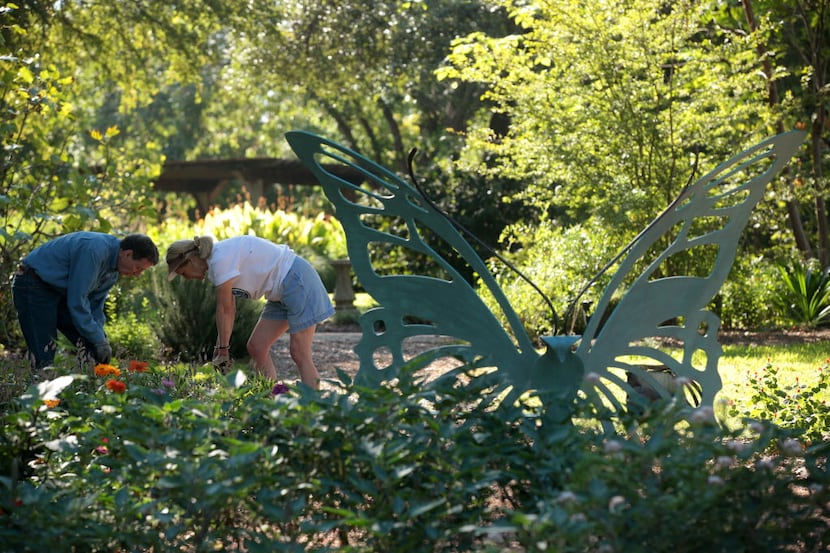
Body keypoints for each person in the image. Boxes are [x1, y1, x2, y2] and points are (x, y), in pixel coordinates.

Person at [166, 235, 334, 389]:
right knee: (257, 347)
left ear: (191, 260)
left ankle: (313, 410)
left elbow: (226, 309)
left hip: (297, 280)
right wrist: (220, 347)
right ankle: (270, 400)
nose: (186, 278)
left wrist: (223, 349)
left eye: (182, 273)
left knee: (299, 352)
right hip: (279, 292)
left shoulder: (219, 259)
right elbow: (228, 309)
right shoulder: (215, 265)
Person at [12, 232, 159, 370]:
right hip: (33, 283)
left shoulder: (112, 272)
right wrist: (98, 339)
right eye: (138, 268)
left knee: (93, 346)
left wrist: (100, 339)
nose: (138, 274)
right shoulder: (94, 250)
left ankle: (92, 388)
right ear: (128, 254)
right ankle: (40, 391)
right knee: (44, 350)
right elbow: (77, 300)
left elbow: (95, 307)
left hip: (60, 291)